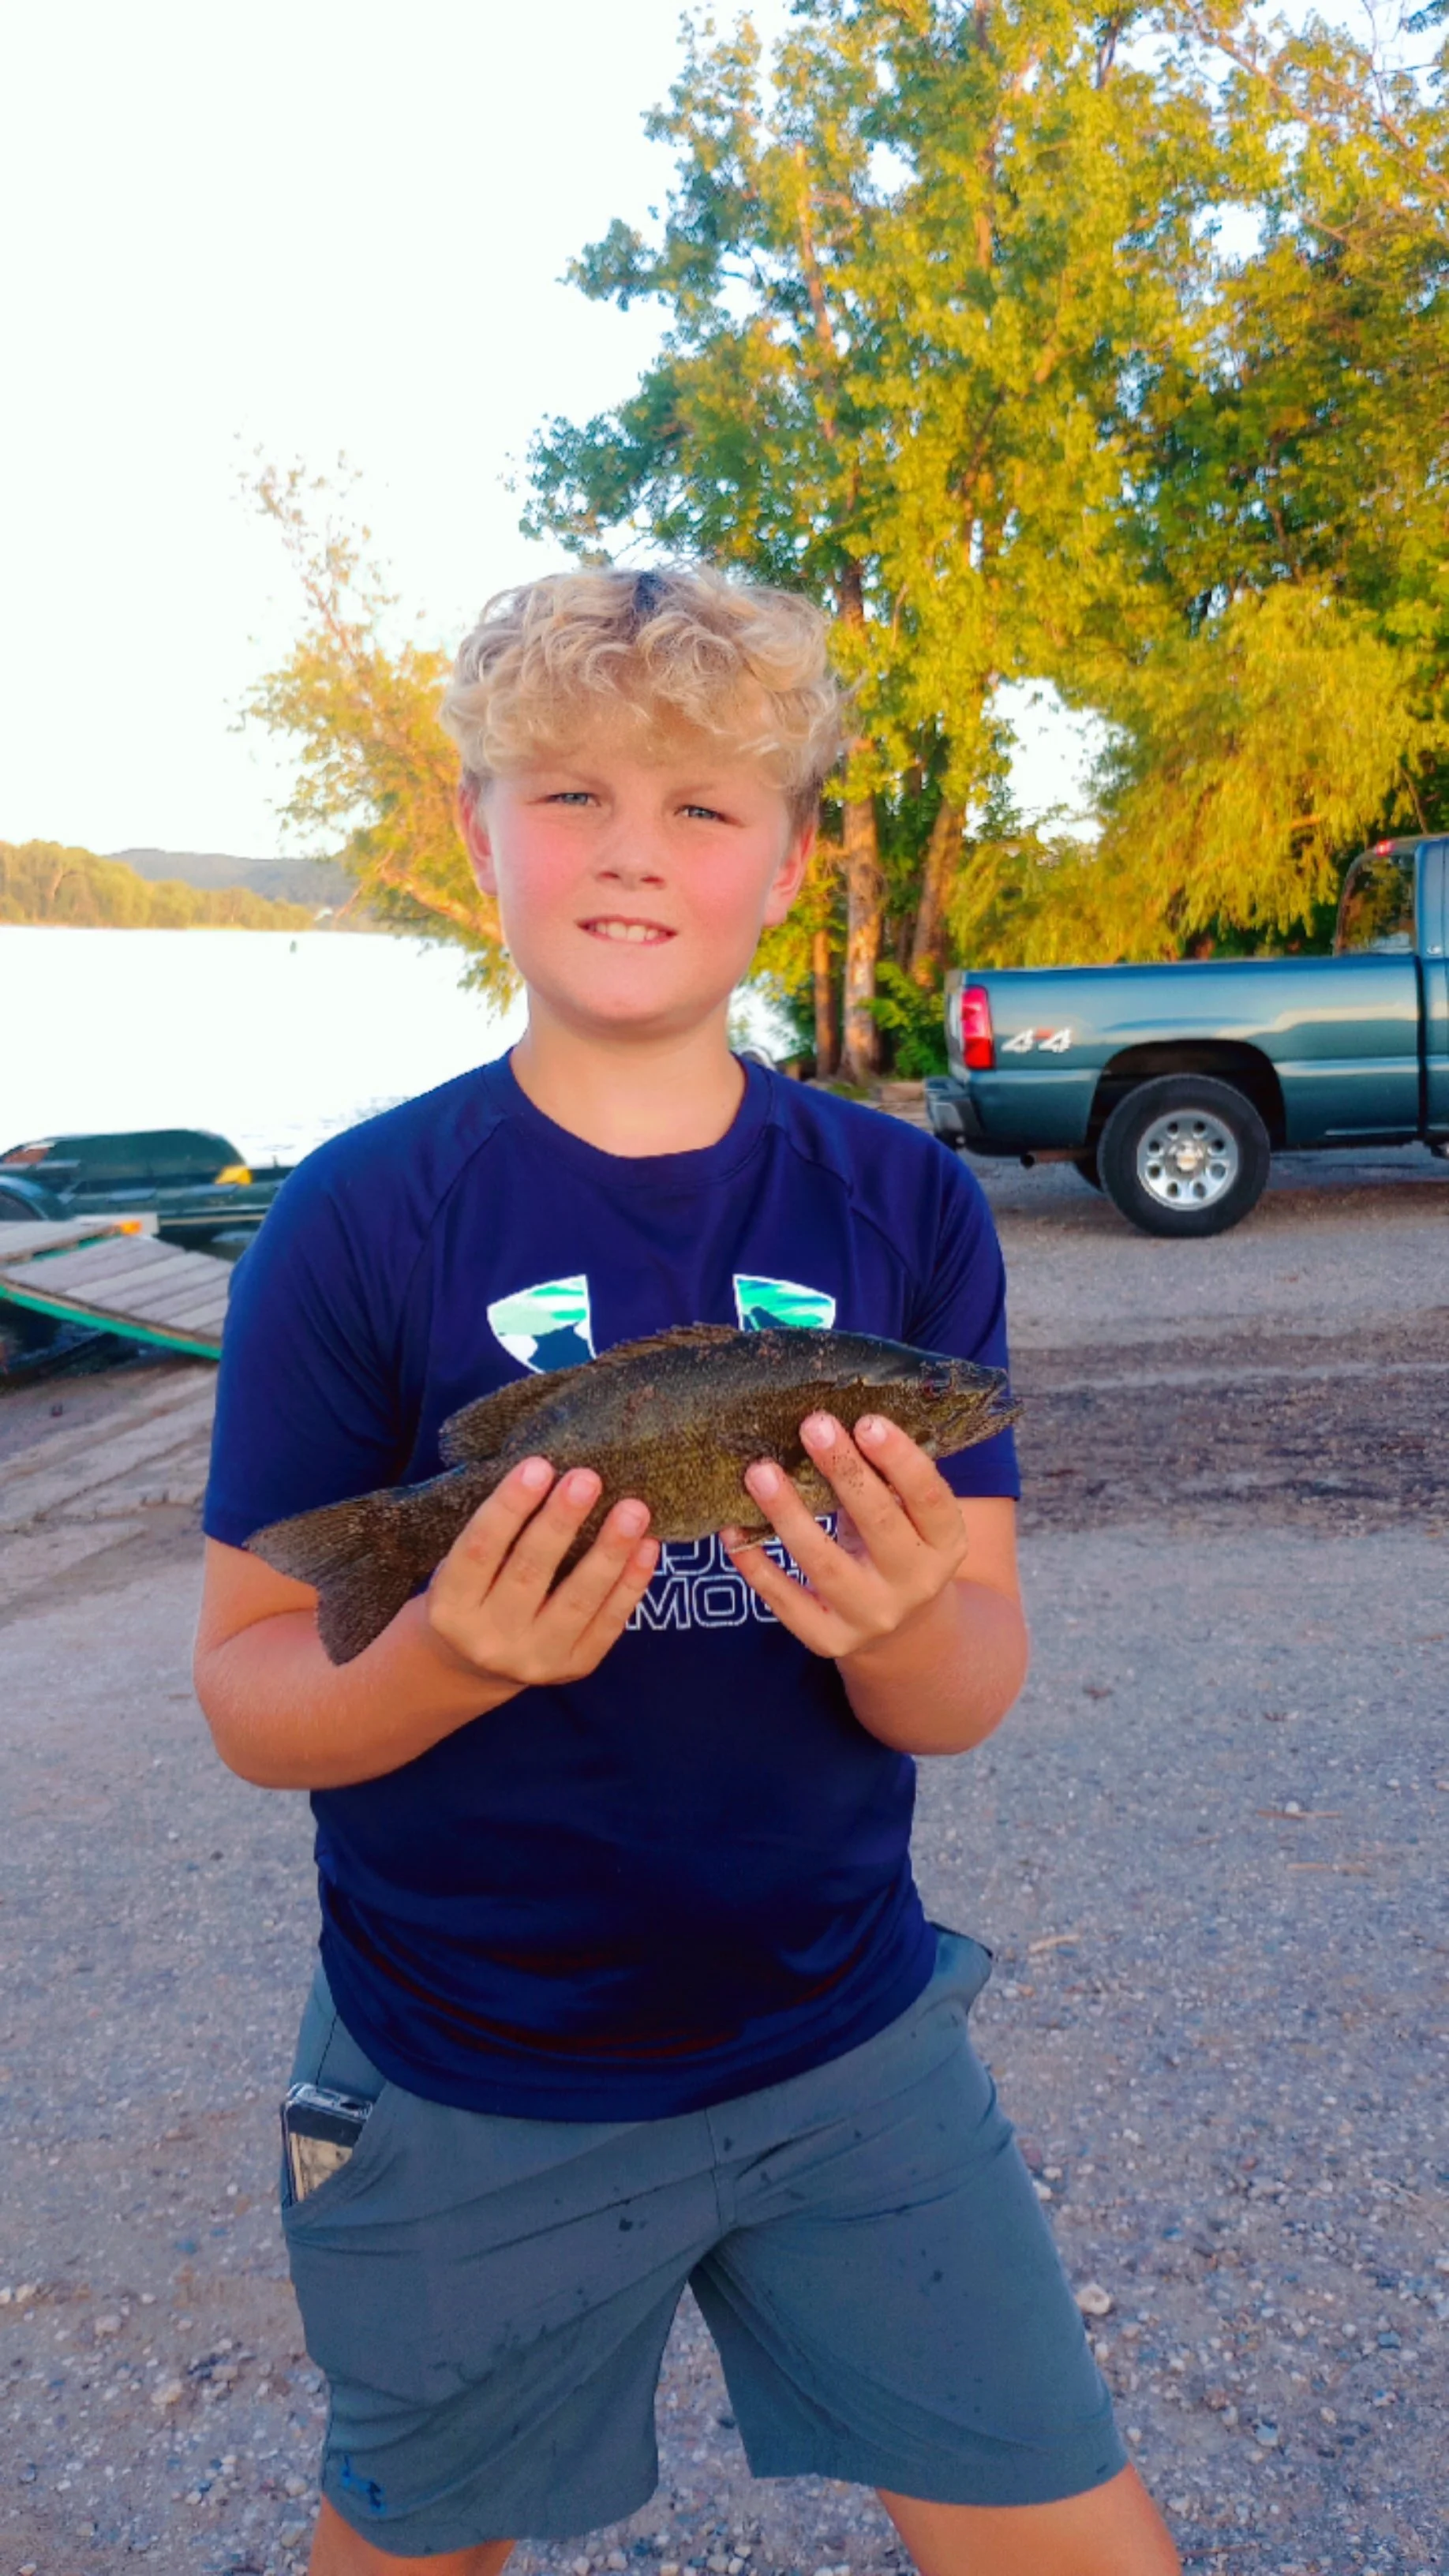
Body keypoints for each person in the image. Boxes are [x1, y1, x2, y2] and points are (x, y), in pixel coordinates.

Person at [194, 564, 1178, 2576]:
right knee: (412, 2545)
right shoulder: (359, 1219)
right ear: (476, 833)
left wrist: (905, 1623)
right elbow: (251, 1690)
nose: (634, 853)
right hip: (468, 2071)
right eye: (569, 797)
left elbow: (967, 1685)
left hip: (851, 2038)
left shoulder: (898, 1200)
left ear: (790, 861)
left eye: (704, 808)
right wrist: (450, 1657)